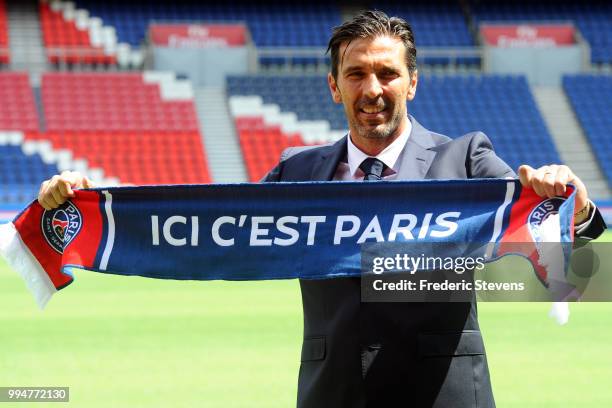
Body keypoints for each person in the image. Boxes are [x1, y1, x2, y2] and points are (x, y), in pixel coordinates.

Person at [38, 10, 605, 408]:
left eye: (387, 72)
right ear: (334, 87)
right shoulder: (298, 172)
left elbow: (554, 248)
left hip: (444, 394)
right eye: (356, 73)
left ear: (413, 81)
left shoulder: (467, 157)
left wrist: (572, 207)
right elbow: (211, 227)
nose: (373, 87)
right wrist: (93, 206)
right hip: (331, 393)